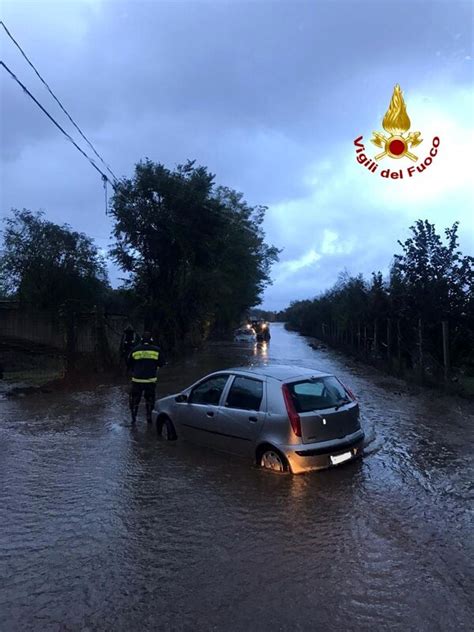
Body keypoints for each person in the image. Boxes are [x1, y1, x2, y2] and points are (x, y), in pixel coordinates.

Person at [127, 331, 165, 424]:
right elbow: (162, 363)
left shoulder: (135, 350)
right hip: (150, 381)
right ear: (151, 340)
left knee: (135, 399)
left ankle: (133, 418)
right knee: (150, 399)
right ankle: (149, 417)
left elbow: (129, 363)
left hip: (137, 380)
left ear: (141, 340)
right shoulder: (157, 350)